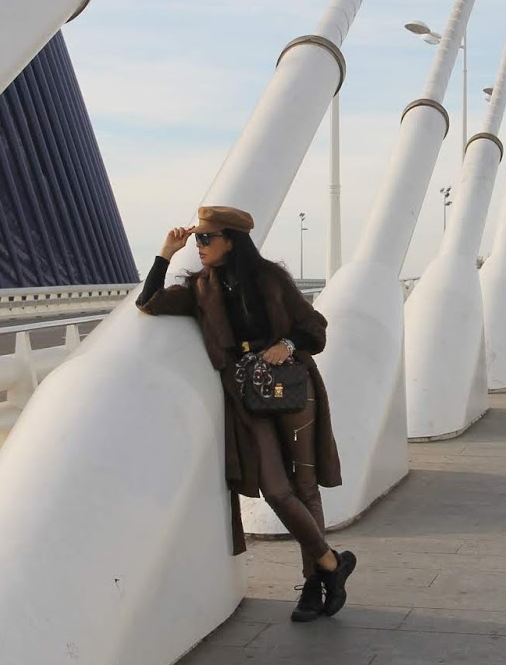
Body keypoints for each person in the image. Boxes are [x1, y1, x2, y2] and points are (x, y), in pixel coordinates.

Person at [136, 205, 356, 622]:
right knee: (276, 489)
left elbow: (315, 327)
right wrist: (165, 253)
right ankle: (331, 564)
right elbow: (149, 302)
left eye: (206, 238)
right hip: (247, 395)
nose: (198, 247)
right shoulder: (201, 289)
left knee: (305, 486)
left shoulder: (271, 278)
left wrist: (286, 345)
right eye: (197, 239)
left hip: (291, 387)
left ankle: (313, 585)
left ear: (230, 242)